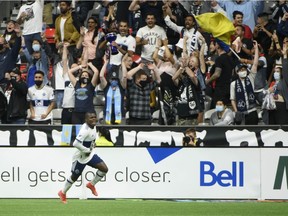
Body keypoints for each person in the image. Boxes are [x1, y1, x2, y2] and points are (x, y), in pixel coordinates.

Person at [58, 111, 108, 204]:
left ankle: (91, 184)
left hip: (90, 155)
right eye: (91, 118)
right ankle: (62, 192)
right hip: (80, 157)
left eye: (94, 117)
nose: (93, 119)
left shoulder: (93, 126)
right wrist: (87, 150)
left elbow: (91, 138)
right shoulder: (84, 130)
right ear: (86, 120)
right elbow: (75, 143)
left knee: (104, 169)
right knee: (74, 177)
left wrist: (93, 145)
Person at [230, 41, 259, 125]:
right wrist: (236, 112)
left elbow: (255, 64)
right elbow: (233, 99)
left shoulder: (250, 78)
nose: (244, 71)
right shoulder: (233, 84)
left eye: (245, 69)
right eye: (241, 70)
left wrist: (256, 49)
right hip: (241, 113)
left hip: (252, 111)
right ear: (237, 72)